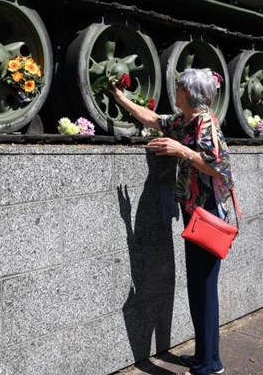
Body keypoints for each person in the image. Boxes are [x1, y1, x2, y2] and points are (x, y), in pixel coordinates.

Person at [111, 68, 236, 375]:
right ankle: (204, 357)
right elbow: (154, 120)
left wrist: (181, 150)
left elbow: (220, 169)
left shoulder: (206, 125)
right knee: (198, 288)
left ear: (190, 93)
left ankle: (211, 364)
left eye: (179, 87)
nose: (175, 91)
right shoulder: (185, 121)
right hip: (195, 211)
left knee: (204, 290)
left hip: (208, 213)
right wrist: (119, 98)